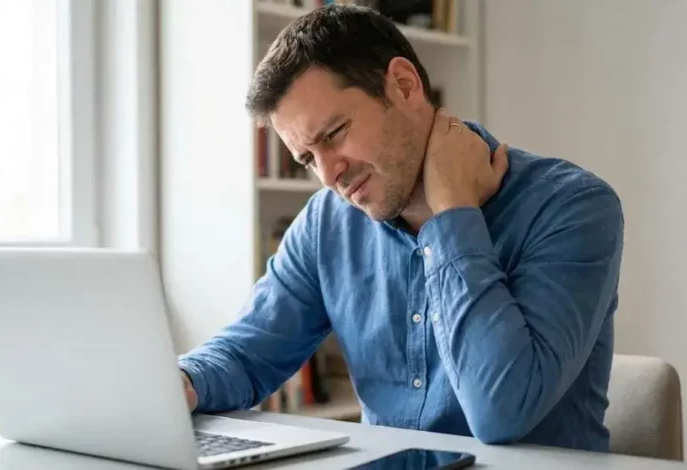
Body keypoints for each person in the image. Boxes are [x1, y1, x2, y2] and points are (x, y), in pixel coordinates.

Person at [178, 4, 623, 452]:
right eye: (308, 159)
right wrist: (181, 382)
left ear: (404, 85)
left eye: (334, 133)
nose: (330, 174)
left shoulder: (571, 207)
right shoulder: (326, 223)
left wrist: (451, 213)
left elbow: (501, 412)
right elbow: (247, 353)